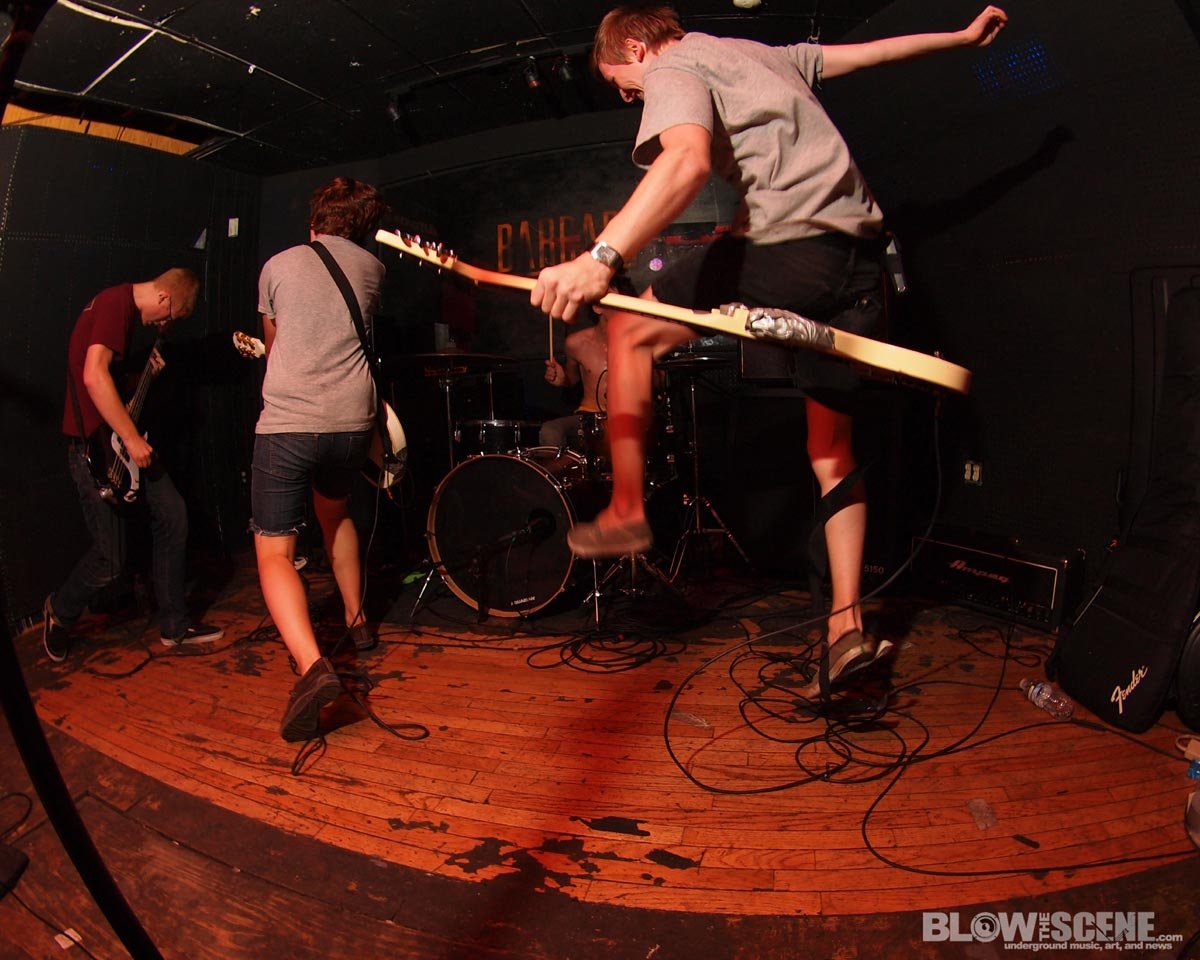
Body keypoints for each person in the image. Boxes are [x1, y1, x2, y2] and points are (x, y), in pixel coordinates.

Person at [530, 4, 1008, 694]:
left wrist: (600, 259)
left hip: (794, 250)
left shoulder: (673, 64)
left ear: (634, 46)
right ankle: (845, 631)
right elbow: (870, 53)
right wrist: (960, 38)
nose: (630, 97)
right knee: (831, 453)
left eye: (621, 84)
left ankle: (628, 510)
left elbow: (686, 160)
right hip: (864, 268)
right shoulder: (766, 55)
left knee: (627, 328)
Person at [250, 175, 387, 743]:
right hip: (351, 422)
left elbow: (274, 346)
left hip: (289, 423)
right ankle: (359, 622)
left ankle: (312, 668)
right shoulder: (373, 269)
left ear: (315, 219)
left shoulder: (277, 265)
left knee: (275, 550)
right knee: (335, 513)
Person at [42, 268, 223, 661]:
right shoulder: (115, 305)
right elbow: (93, 377)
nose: (163, 324)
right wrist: (131, 437)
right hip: (96, 450)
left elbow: (109, 383)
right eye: (170, 316)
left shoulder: (121, 312)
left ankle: (175, 625)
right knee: (111, 559)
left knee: (173, 514)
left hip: (118, 443)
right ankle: (59, 610)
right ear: (165, 299)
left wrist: (143, 378)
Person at [540, 308, 609, 451]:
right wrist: (563, 379)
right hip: (589, 415)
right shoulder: (576, 343)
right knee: (550, 431)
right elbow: (572, 379)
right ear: (597, 307)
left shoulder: (638, 340)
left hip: (626, 415)